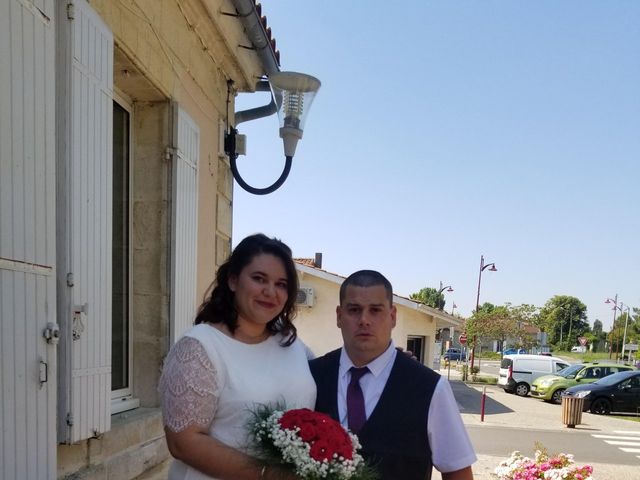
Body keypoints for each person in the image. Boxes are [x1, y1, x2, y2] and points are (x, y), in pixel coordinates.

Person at [159, 234, 316, 480]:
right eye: (258, 279)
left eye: (281, 284)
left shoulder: (294, 346)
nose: (270, 292)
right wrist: (271, 476)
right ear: (233, 280)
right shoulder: (200, 347)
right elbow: (183, 442)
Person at [310, 270, 476, 480]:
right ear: (339, 316)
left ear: (393, 316)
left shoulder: (429, 388)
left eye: (375, 310)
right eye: (354, 310)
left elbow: (457, 472)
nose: (364, 320)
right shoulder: (312, 377)